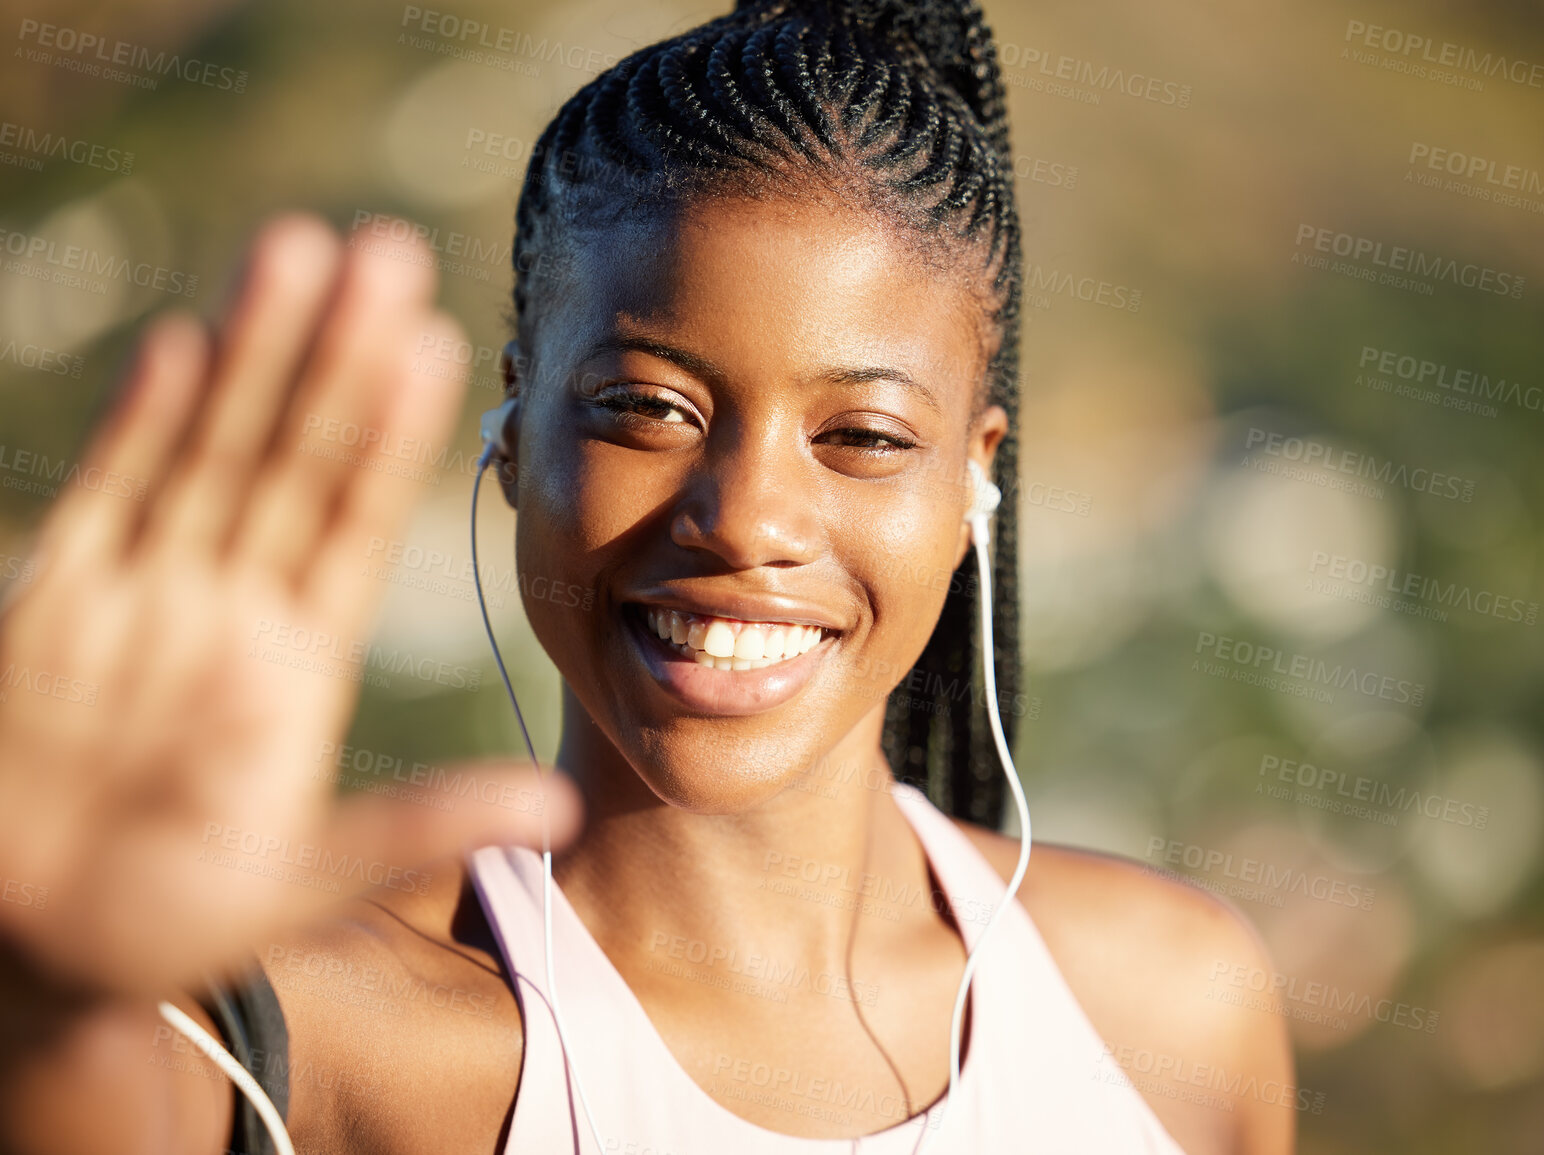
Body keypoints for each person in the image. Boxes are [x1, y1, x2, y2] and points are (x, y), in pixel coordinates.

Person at [0, 1, 1293, 1152]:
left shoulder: (1169, 1004)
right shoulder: (329, 1038)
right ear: (515, 429)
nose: (746, 519)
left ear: (973, 480)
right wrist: (54, 1015)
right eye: (647, 408)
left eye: (864, 436)